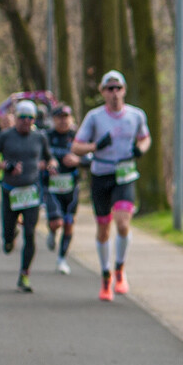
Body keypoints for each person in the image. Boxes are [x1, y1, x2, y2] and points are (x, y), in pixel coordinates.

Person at [71, 70, 151, 302]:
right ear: (103, 92)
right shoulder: (94, 117)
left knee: (123, 223)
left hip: (125, 174)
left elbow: (145, 137)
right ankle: (105, 275)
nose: (114, 93)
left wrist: (140, 149)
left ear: (124, 90)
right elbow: (76, 147)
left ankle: (120, 269)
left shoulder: (136, 115)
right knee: (104, 228)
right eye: (109, 89)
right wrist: (95, 146)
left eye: (118, 88)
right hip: (101, 175)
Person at [0, 100, 58, 292]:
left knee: (30, 233)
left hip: (31, 192)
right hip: (10, 191)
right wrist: (6, 166)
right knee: (7, 240)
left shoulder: (39, 137)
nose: (26, 121)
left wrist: (52, 166)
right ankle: (10, 238)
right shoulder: (5, 136)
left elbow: (50, 158)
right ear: (16, 118)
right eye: (22, 117)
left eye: (30, 118)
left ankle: (24, 274)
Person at [43, 104, 84, 274]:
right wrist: (45, 164)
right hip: (51, 186)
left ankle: (62, 259)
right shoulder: (46, 136)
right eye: (59, 117)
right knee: (56, 222)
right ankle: (52, 231)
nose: (63, 121)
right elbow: (36, 156)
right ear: (53, 119)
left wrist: (78, 161)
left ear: (71, 118)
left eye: (66, 117)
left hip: (71, 186)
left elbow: (91, 158)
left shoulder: (78, 137)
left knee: (68, 223)